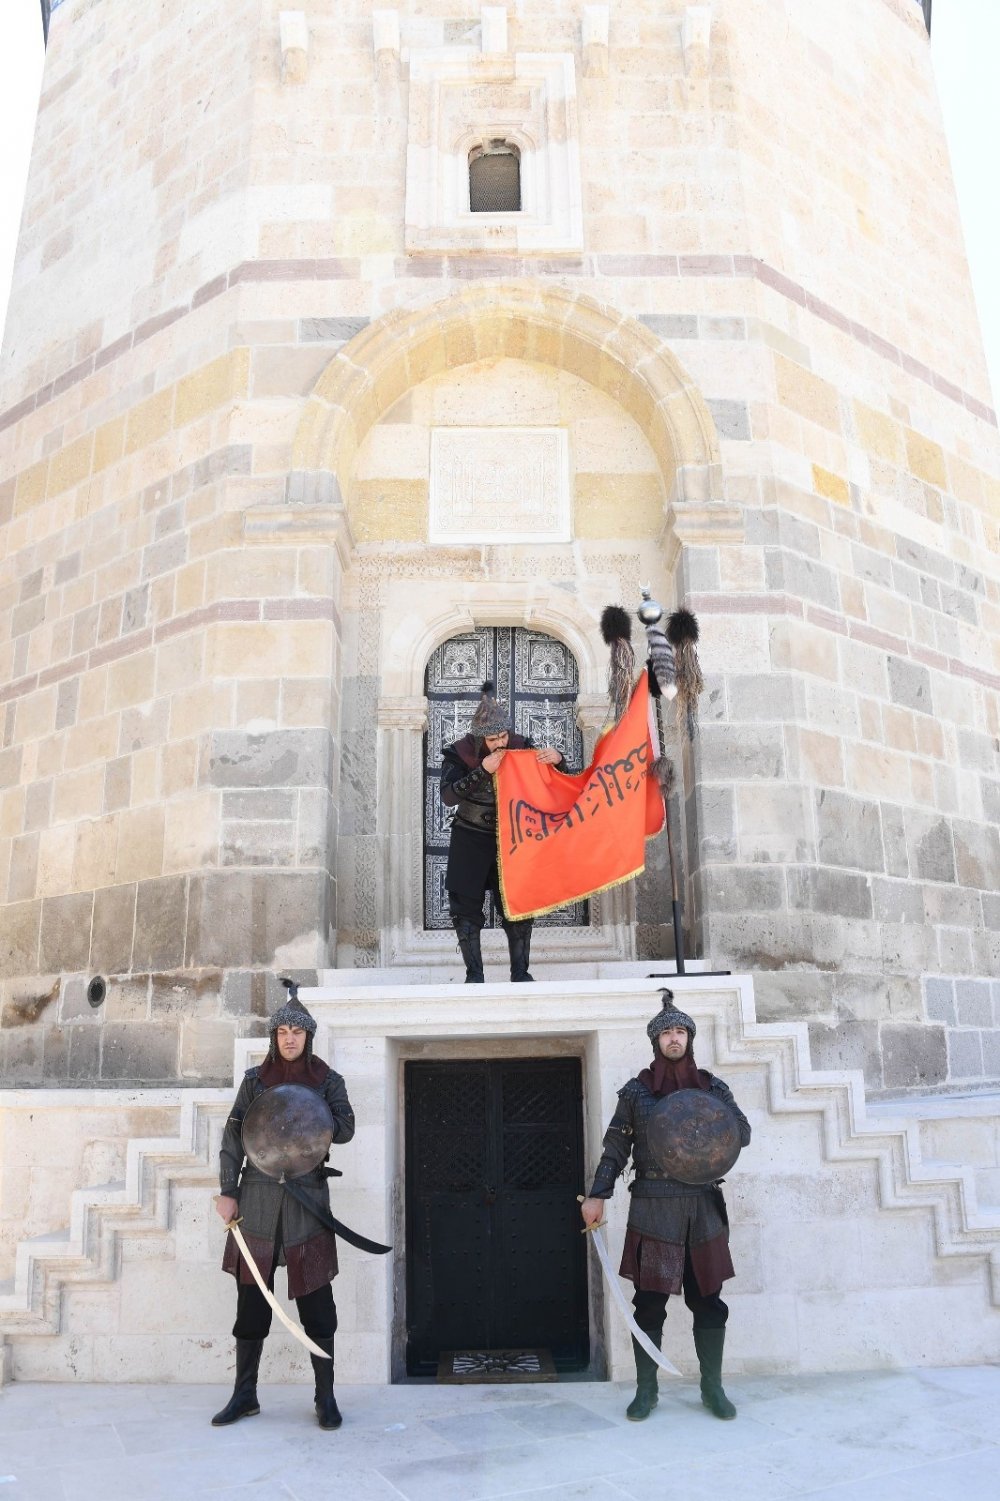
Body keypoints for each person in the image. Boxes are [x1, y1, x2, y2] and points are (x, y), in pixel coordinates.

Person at [579, 992, 751, 1422]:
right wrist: (597, 1195)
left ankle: (712, 1388)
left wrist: (712, 1119)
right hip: (653, 1207)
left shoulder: (713, 1088)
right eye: (666, 1033)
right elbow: (615, 1148)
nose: (674, 1039)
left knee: (708, 1301)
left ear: (690, 1039)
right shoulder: (637, 1092)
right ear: (655, 1041)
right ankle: (646, 1391)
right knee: (649, 1304)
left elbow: (742, 1133)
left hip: (702, 1206)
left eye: (680, 1032)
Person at [212, 993, 355, 1430]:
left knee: (317, 1302)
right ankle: (244, 1396)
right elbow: (234, 1137)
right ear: (274, 1037)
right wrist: (227, 1190)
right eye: (283, 1031)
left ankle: (324, 1397)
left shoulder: (327, 1079)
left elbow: (346, 1130)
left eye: (297, 1031)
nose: (290, 1039)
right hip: (255, 1199)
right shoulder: (255, 1080)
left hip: (306, 1201)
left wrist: (317, 1104)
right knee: (251, 1301)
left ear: (308, 1037)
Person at [440, 680, 564, 983]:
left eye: (503, 735)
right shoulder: (460, 753)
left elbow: (557, 784)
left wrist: (559, 760)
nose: (500, 742)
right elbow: (448, 796)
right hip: (469, 836)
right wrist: (484, 769)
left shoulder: (523, 746)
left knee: (518, 906)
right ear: (480, 739)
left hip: (513, 839)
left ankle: (521, 973)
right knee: (465, 908)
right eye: (493, 738)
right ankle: (474, 975)